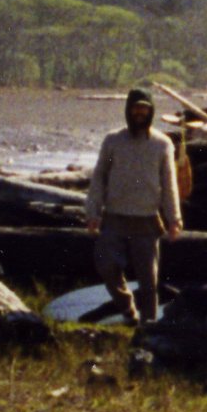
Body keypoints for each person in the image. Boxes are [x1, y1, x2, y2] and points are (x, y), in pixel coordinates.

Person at [85, 88, 183, 325]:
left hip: (147, 221)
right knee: (107, 266)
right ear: (128, 110)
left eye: (145, 108)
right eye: (136, 108)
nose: (140, 112)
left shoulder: (162, 144)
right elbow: (99, 177)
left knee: (148, 281)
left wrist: (174, 218)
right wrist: (92, 212)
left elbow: (169, 184)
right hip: (114, 218)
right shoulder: (113, 141)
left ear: (151, 111)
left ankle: (148, 327)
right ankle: (128, 310)